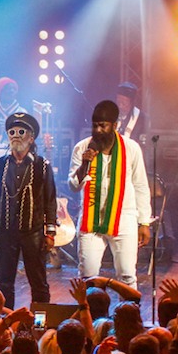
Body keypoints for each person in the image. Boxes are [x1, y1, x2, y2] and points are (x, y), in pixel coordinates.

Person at [68, 101, 151, 289]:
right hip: (91, 220)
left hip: (124, 218)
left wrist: (144, 222)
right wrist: (84, 164)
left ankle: (128, 317)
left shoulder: (131, 148)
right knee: (88, 275)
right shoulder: (82, 148)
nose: (98, 130)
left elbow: (140, 185)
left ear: (115, 125)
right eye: (95, 125)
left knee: (127, 275)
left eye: (103, 125)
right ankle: (90, 316)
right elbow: (73, 186)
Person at [0, 112, 56, 308]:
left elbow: (50, 199)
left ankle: (40, 325)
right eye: (11, 131)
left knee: (38, 283)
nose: (15, 135)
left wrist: (50, 233)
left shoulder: (42, 166)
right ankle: (6, 324)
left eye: (21, 131)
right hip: (6, 233)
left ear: (31, 138)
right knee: (4, 283)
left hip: (33, 233)